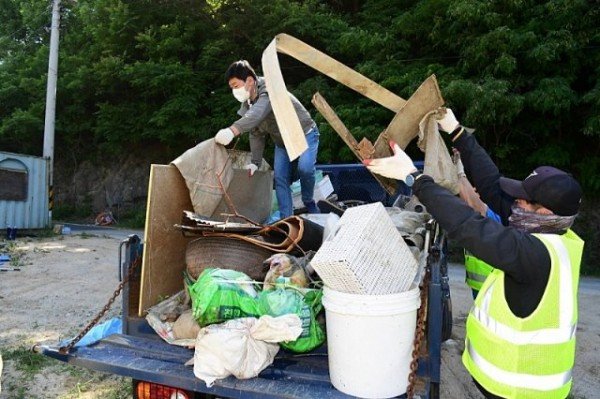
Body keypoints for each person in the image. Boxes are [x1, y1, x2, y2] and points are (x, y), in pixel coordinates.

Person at [364, 108, 584, 399]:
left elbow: (467, 225)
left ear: (543, 211)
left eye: (524, 200)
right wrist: (456, 132)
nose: (515, 202)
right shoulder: (556, 233)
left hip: (520, 389)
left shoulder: (534, 254)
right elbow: (493, 186)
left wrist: (414, 179)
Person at [214, 60, 321, 218]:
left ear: (250, 81)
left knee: (305, 168)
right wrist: (255, 162)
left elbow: (257, 114)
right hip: (282, 142)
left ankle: (309, 201)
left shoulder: (270, 89)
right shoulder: (248, 104)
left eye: (236, 86)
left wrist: (232, 130)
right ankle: (287, 219)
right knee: (279, 178)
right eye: (232, 88)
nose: (234, 91)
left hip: (304, 133)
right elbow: (256, 133)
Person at [453, 148, 500, 298]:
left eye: (475, 191)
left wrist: (460, 173)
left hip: (493, 286)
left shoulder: (493, 215)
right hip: (483, 286)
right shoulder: (475, 216)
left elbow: (471, 201)